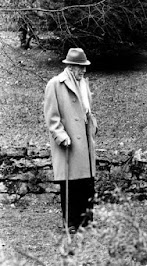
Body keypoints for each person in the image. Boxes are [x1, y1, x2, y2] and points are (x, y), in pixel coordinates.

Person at [44, 48, 97, 233]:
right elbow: (51, 117)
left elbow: (87, 111)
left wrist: (93, 126)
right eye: (81, 67)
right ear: (71, 66)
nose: (84, 71)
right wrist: (61, 136)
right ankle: (71, 223)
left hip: (85, 143)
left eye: (85, 67)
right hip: (69, 144)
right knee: (71, 185)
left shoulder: (83, 83)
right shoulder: (55, 84)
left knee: (86, 183)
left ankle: (86, 221)